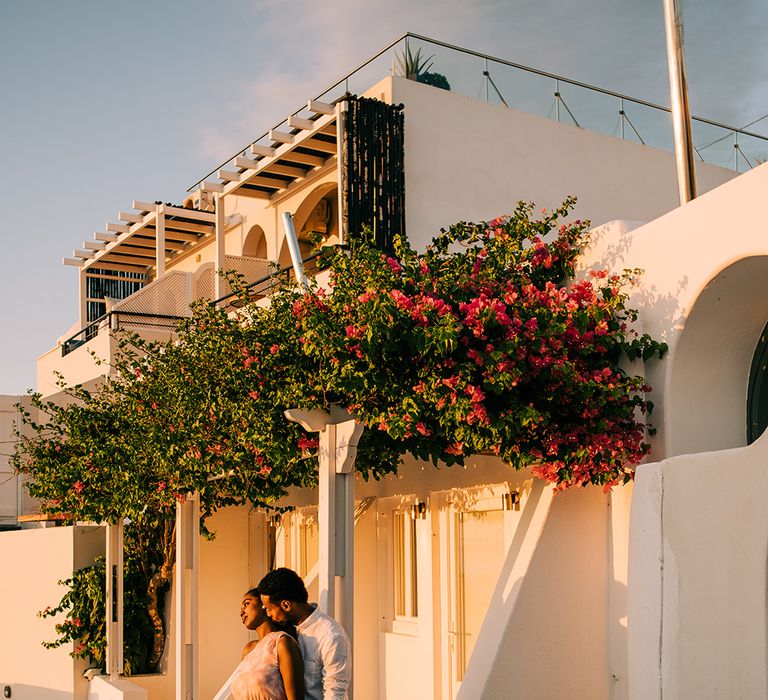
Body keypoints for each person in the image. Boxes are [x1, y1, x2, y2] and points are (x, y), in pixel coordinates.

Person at [258, 568, 351, 700]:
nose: (267, 614)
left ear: (286, 605)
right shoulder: (283, 631)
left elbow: (335, 691)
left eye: (269, 609)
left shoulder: (330, 636)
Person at [230, 587, 305, 700]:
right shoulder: (248, 649)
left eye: (246, 604)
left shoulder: (282, 642)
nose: (241, 612)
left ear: (263, 603)